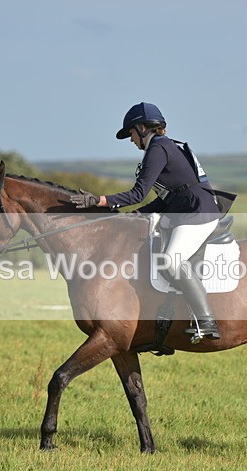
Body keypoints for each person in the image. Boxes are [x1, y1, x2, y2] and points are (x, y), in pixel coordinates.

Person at [70, 102, 221, 342]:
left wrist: (98, 200)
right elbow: (165, 199)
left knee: (172, 259)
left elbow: (138, 193)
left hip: (198, 212)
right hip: (185, 209)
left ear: (142, 128)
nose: (131, 141)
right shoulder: (165, 147)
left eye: (131, 133)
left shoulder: (158, 149)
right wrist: (137, 215)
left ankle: (207, 321)